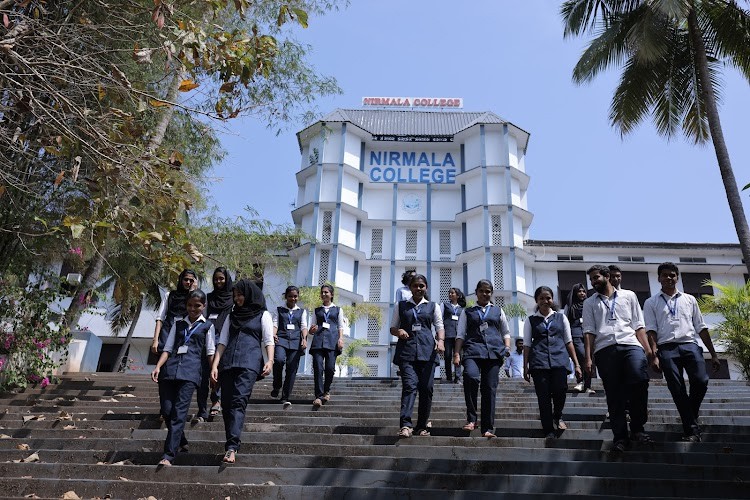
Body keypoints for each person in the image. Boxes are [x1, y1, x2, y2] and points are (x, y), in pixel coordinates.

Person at [644, 262, 721, 442]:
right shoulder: (651, 302)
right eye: (665, 275)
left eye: (672, 275)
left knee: (701, 381)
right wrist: (654, 357)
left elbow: (701, 327)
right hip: (667, 348)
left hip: (690, 345)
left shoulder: (689, 299)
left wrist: (714, 354)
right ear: (659, 278)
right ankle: (692, 429)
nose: (669, 278)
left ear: (677, 277)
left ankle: (690, 416)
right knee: (677, 389)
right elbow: (651, 330)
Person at [583, 264, 654, 452]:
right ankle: (620, 438)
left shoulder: (629, 296)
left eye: (596, 278)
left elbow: (639, 325)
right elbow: (589, 331)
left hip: (630, 344)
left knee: (639, 381)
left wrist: (648, 351)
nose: (593, 282)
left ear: (607, 276)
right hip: (605, 349)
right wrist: (588, 358)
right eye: (591, 279)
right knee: (614, 395)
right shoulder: (590, 303)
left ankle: (637, 428)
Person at [210, 279, 274, 464]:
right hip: (228, 362)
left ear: (249, 294)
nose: (237, 298)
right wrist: (215, 365)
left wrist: (269, 361)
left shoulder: (263, 315)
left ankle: (231, 447)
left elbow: (268, 340)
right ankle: (232, 441)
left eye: (240, 294)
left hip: (249, 363)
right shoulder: (231, 316)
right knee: (227, 404)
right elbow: (222, 341)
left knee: (238, 401)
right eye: (235, 295)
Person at [151, 289, 215, 466]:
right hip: (169, 371)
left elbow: (210, 352)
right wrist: (158, 366)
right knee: (167, 410)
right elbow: (168, 347)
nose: (193, 309)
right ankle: (181, 440)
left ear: (204, 306)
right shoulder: (178, 323)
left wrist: (213, 370)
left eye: (197, 306)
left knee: (179, 414)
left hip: (190, 373)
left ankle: (168, 455)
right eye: (190, 305)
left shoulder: (207, 326)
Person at [454, 279, 510, 438]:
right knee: (470, 377)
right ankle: (472, 419)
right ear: (476, 292)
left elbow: (505, 332)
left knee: (489, 389)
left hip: (493, 353)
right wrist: (457, 354)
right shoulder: (468, 311)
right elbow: (460, 334)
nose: (485, 294)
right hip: (472, 350)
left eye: (488, 291)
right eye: (482, 291)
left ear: (491, 293)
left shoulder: (498, 310)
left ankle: (487, 428)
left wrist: (506, 347)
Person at [524, 286, 582, 439]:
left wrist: (576, 364)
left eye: (548, 298)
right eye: (541, 298)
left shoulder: (561, 317)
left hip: (559, 360)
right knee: (543, 397)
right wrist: (525, 366)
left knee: (560, 390)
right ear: (536, 300)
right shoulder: (531, 320)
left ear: (552, 299)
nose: (545, 301)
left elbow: (568, 341)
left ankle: (557, 415)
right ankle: (548, 429)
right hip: (538, 362)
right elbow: (527, 345)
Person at [391, 274, 445, 438]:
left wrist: (441, 341)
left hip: (428, 352)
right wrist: (398, 331)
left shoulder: (433, 306)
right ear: (410, 288)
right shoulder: (400, 306)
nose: (418, 289)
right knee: (409, 386)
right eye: (415, 286)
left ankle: (422, 426)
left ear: (426, 287)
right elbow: (393, 327)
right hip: (407, 352)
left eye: (421, 286)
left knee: (426, 389)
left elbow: (439, 326)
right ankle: (406, 425)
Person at [151, 269, 198, 422]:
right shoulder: (169, 295)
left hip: (183, 336)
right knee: (164, 372)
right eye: (186, 279)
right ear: (180, 280)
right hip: (167, 332)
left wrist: (194, 291)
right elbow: (160, 317)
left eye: (191, 280)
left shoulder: (193, 299)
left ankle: (175, 408)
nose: (188, 282)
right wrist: (155, 339)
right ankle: (164, 408)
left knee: (180, 370)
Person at [199, 267, 233, 421]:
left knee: (220, 368)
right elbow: (204, 315)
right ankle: (214, 399)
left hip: (225, 335)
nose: (219, 281)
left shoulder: (233, 297)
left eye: (221, 278)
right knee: (209, 367)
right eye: (216, 279)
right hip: (210, 334)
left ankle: (217, 400)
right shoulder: (209, 297)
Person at [271, 285, 309, 409]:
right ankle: (277, 385)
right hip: (281, 339)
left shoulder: (301, 312)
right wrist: (273, 334)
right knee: (279, 360)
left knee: (291, 369)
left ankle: (285, 396)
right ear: (286, 297)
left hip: (295, 342)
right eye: (290, 296)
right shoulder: (279, 310)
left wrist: (304, 339)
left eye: (295, 296)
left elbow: (303, 326)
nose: (293, 299)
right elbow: (275, 324)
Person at [308, 284, 344, 408]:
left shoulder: (338, 309)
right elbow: (312, 327)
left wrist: (341, 339)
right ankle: (318, 396)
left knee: (330, 368)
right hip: (318, 341)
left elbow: (340, 326)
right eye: (322, 292)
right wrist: (311, 330)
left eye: (326, 292)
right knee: (318, 367)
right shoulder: (317, 310)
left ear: (331, 295)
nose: (324, 294)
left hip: (332, 341)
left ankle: (326, 390)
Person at [565, 283, 595, 394]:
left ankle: (587, 386)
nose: (582, 293)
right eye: (579, 291)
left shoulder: (589, 304)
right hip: (575, 332)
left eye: (583, 291)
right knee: (582, 356)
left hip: (588, 332)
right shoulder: (570, 305)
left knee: (589, 359)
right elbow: (566, 321)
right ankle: (580, 381)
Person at [442, 287, 466, 383]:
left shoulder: (462, 309)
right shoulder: (444, 305)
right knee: (447, 356)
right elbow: (440, 319)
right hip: (448, 335)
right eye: (449, 293)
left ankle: (458, 377)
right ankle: (448, 376)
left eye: (452, 293)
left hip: (458, 336)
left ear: (458, 295)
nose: (450, 295)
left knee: (457, 356)